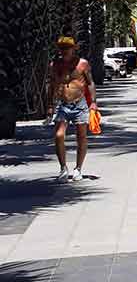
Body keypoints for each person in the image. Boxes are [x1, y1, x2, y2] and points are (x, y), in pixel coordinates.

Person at [47, 36, 97, 182]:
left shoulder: (82, 64)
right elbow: (51, 85)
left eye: (67, 48)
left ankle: (78, 169)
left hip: (79, 104)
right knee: (58, 135)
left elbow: (90, 83)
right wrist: (50, 105)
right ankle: (63, 168)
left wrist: (93, 102)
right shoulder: (55, 64)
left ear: (73, 49)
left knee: (81, 137)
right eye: (62, 48)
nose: (64, 51)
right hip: (62, 104)